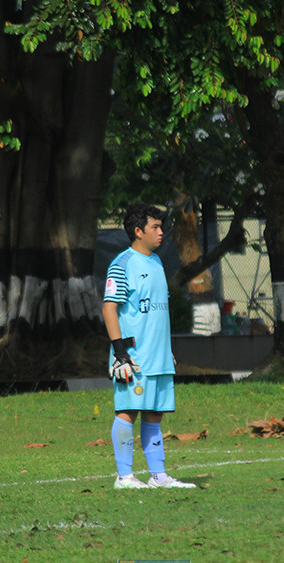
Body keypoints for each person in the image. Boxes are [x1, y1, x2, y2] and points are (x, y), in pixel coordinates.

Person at [102, 202, 196, 489]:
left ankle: (158, 476)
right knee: (128, 410)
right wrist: (120, 354)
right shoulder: (123, 264)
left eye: (161, 226)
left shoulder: (156, 262)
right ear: (138, 231)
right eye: (155, 227)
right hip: (133, 356)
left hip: (159, 356)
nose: (161, 232)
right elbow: (109, 309)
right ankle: (125, 477)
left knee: (154, 413)